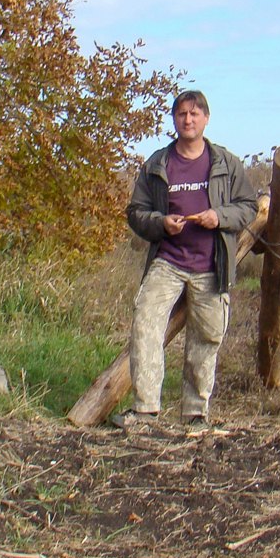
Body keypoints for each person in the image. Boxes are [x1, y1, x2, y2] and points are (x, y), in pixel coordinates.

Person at [114, 90, 258, 431]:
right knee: (145, 325)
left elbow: (248, 206)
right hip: (168, 262)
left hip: (211, 266)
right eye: (181, 114)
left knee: (206, 339)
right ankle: (145, 412)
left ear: (206, 119)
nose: (188, 120)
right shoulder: (157, 164)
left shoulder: (226, 163)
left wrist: (219, 217)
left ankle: (195, 415)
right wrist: (161, 223)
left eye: (194, 114)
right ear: (174, 119)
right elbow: (136, 212)